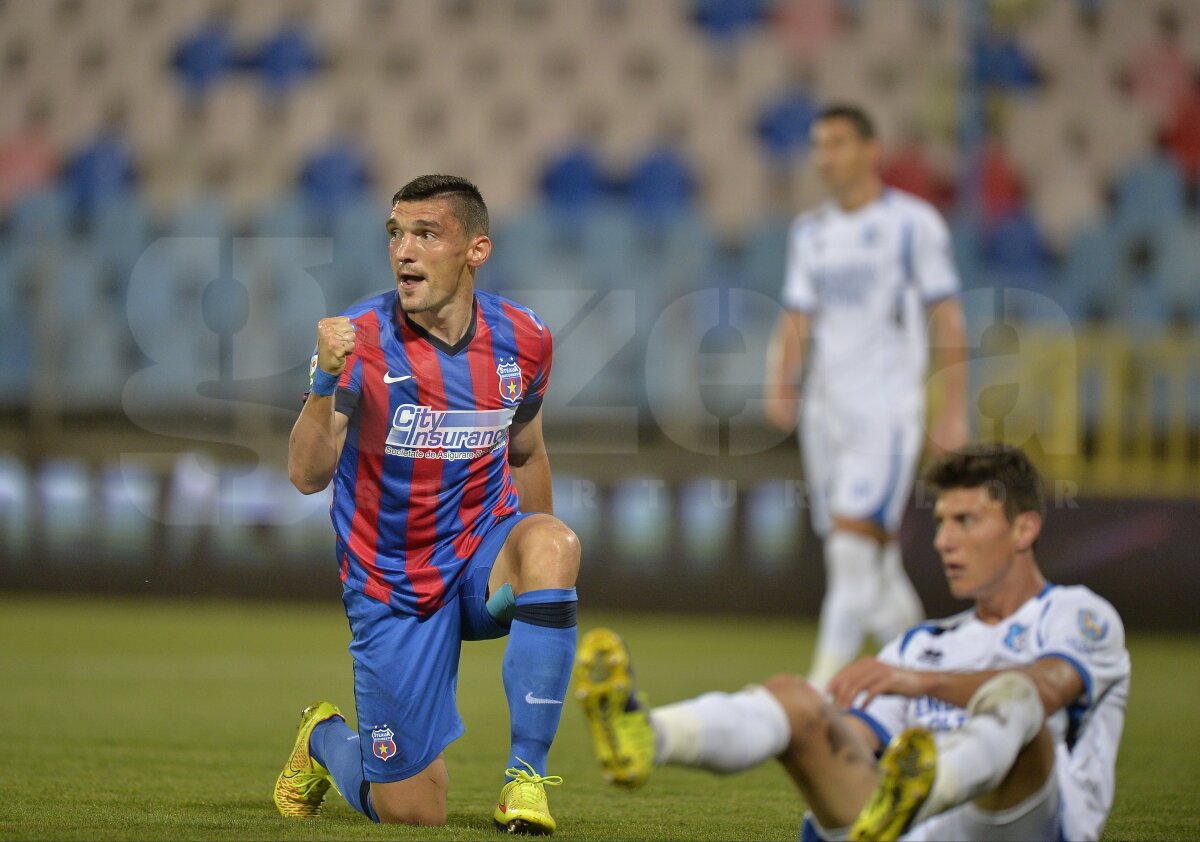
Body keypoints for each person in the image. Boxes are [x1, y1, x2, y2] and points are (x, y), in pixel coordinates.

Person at [576, 443, 1130, 841]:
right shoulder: (922, 644)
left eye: (966, 521)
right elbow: (859, 736)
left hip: (1030, 825)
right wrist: (816, 728)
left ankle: (929, 786)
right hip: (911, 830)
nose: (944, 542)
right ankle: (647, 734)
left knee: (1015, 697)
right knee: (800, 701)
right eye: (940, 522)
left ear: (1024, 529)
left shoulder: (1078, 614)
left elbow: (1048, 688)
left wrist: (922, 683)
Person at [277, 174, 579, 834]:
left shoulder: (524, 338)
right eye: (395, 233)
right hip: (394, 582)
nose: (404, 251)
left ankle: (525, 780)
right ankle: (325, 738)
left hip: (479, 556)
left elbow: (526, 452)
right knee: (415, 812)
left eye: (425, 234)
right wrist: (324, 380)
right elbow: (305, 475)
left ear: (476, 250)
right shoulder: (358, 339)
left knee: (554, 541)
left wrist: (540, 571)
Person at [763, 103, 970, 689]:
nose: (825, 157)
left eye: (837, 143)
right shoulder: (812, 232)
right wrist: (782, 378)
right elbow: (798, 315)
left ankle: (823, 691)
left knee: (851, 562)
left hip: (886, 414)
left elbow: (948, 317)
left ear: (871, 150)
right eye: (819, 145)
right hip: (826, 417)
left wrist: (952, 406)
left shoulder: (914, 225)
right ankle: (937, 675)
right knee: (874, 565)